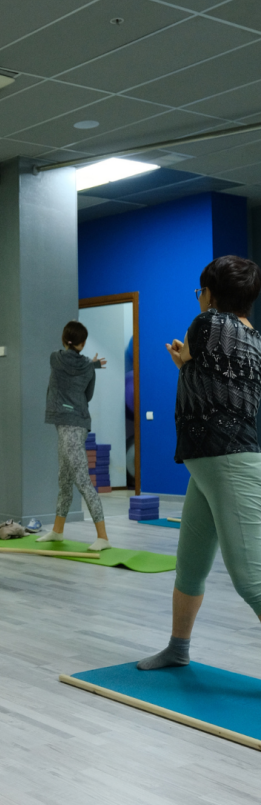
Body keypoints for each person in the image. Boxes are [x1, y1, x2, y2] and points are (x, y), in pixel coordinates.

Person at [138, 256, 261, 671]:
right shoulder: (251, 338)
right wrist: (186, 365)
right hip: (207, 465)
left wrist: (187, 359)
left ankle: (178, 647)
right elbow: (216, 381)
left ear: (210, 295)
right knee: (190, 566)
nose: (200, 299)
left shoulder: (207, 324)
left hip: (227, 462)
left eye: (201, 292)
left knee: (251, 579)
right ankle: (177, 649)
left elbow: (204, 367)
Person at [38, 320, 110, 550]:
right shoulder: (89, 367)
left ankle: (103, 537)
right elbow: (87, 396)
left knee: (81, 480)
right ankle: (57, 531)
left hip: (68, 425)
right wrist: (93, 364)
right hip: (75, 424)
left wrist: (92, 364)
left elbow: (65, 359)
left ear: (64, 339)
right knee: (65, 480)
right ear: (83, 343)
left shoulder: (54, 358)